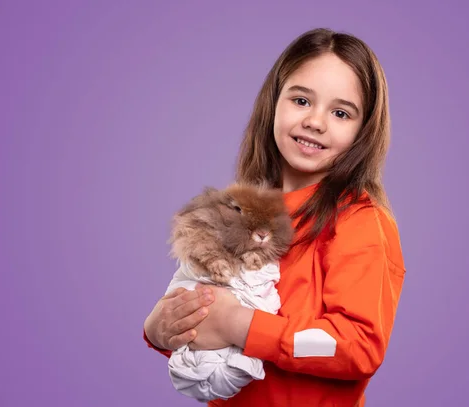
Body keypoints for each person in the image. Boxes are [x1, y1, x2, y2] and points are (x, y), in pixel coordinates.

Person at [143, 27, 406, 407]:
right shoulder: (243, 210)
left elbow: (356, 347)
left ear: (363, 131)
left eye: (340, 112)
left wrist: (240, 325)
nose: (315, 121)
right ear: (274, 103)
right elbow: (212, 328)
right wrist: (160, 330)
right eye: (301, 100)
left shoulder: (360, 222)